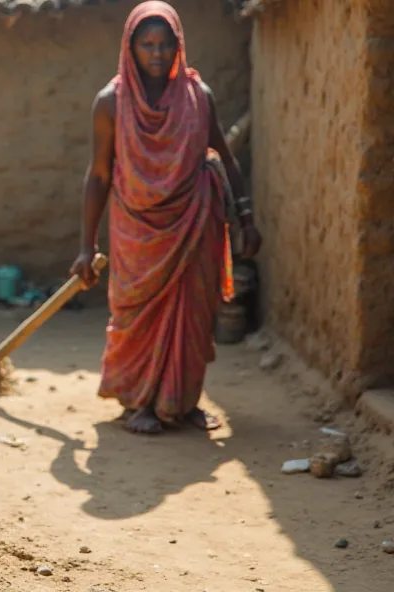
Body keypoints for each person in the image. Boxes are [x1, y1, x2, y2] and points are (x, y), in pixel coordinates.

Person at [70, 1, 262, 435]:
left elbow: (226, 160)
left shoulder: (198, 96)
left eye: (166, 44)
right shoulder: (110, 103)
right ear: (130, 47)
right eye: (147, 44)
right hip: (135, 229)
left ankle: (182, 401)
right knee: (134, 316)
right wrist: (87, 246)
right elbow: (99, 176)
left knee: (193, 315)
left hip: (195, 221)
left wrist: (246, 219)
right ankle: (138, 403)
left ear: (179, 46)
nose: (157, 53)